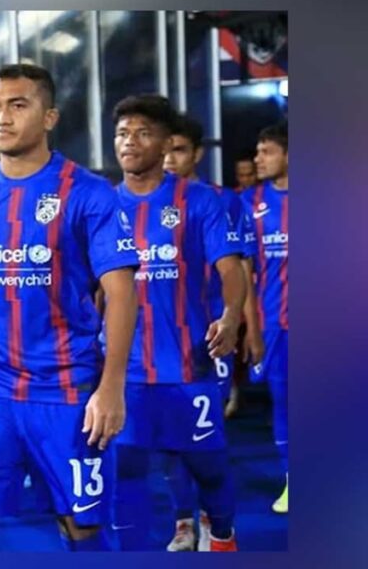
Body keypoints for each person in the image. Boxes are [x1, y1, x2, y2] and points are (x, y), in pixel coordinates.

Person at [0, 63, 139, 552]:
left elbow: (121, 293)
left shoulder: (89, 193)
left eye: (17, 105)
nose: (2, 117)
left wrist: (112, 387)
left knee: (82, 527)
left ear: (49, 117)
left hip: (67, 388)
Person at [110, 95, 246, 552]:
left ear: (167, 143)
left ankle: (221, 533)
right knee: (126, 468)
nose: (129, 142)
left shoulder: (199, 200)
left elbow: (231, 269)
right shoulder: (103, 205)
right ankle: (157, 538)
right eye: (122, 133)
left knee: (207, 466)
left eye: (142, 133)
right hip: (126, 371)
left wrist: (231, 316)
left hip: (189, 365)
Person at [161, 114, 262, 550]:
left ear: (198, 153)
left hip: (210, 338)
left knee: (205, 436)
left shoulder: (223, 201)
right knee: (169, 440)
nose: (169, 158)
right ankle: (183, 520)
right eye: (164, 149)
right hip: (161, 342)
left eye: (179, 149)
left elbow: (242, 270)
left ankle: (212, 518)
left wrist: (246, 327)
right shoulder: (139, 201)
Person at [242, 122, 289, 515]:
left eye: (267, 151)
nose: (258, 159)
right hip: (275, 323)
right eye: (258, 151)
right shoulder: (250, 203)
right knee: (284, 403)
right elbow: (246, 272)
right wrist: (252, 328)